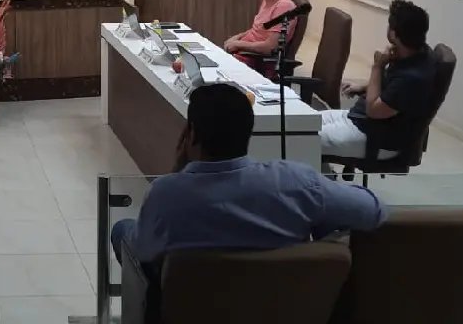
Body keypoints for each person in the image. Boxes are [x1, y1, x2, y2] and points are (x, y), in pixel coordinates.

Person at [110, 83, 385, 266]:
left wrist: (177, 174)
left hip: (191, 307)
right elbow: (374, 210)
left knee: (122, 229)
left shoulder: (165, 194)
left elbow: (143, 252)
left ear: (190, 135)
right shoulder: (296, 182)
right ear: (248, 133)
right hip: (275, 306)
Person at [321, 0, 436, 160]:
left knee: (297, 139)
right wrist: (364, 86)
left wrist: (378, 66)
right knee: (299, 123)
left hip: (374, 137)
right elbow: (391, 87)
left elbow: (373, 110)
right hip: (359, 119)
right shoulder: (417, 54)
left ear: (394, 34)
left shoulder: (410, 79)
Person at [222, 0, 297, 70]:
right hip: (242, 53)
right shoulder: (268, 0)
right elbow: (258, 29)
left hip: (253, 60)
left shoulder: (284, 7)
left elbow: (270, 47)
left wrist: (239, 44)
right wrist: (238, 37)